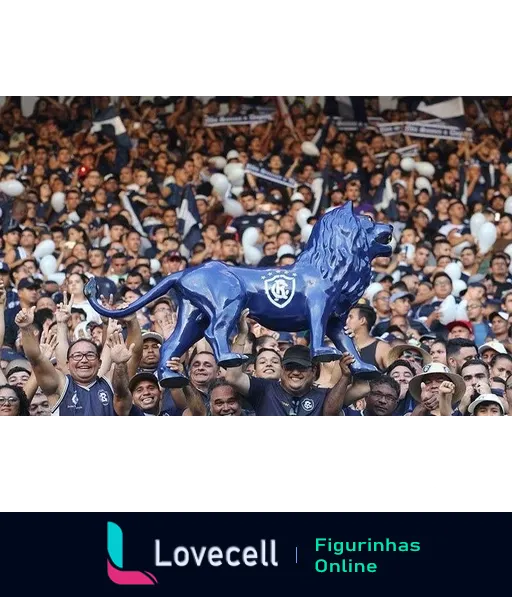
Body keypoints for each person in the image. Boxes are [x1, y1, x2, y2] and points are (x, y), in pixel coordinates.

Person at [16, 307, 133, 416]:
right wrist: (26, 329)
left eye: (90, 355)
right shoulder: (59, 386)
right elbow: (36, 359)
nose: (84, 360)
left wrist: (120, 364)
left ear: (100, 363)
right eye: (77, 356)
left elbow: (122, 393)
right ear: (68, 364)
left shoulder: (109, 382)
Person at [224, 345, 354, 416]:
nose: (295, 372)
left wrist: (349, 343)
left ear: (313, 371)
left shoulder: (325, 395)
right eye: (290, 367)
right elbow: (232, 377)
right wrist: (242, 334)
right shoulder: (265, 389)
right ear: (282, 368)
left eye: (302, 368)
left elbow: (364, 387)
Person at [345, 304, 390, 371]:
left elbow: (394, 373)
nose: (346, 321)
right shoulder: (342, 346)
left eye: (350, 317)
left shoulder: (382, 348)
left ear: (362, 320)